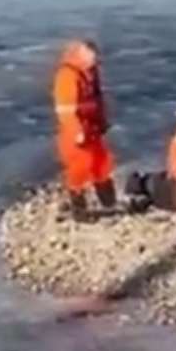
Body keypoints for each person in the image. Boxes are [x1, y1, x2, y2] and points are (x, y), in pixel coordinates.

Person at [51, 39, 116, 220]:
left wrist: (102, 121)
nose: (94, 61)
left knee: (102, 163)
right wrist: (77, 132)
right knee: (78, 168)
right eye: (91, 57)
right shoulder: (67, 76)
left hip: (93, 127)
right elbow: (65, 110)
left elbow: (98, 98)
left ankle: (109, 203)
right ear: (80, 55)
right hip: (75, 130)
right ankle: (80, 211)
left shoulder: (91, 71)